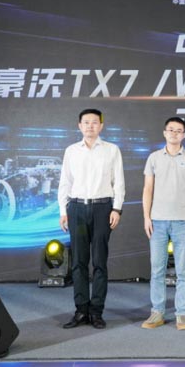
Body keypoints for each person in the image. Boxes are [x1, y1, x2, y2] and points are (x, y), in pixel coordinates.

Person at [58, 109, 125, 329]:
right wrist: (63, 211)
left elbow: (119, 183)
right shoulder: (71, 151)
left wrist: (117, 209)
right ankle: (81, 310)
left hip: (102, 209)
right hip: (77, 209)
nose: (90, 126)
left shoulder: (111, 150)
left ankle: (96, 311)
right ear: (79, 126)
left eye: (94, 122)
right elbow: (65, 183)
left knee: (99, 261)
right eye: (86, 122)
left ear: (101, 126)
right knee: (78, 262)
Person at [141, 117, 185, 331]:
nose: (174, 133)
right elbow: (148, 189)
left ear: (183, 134)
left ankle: (182, 314)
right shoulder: (154, 158)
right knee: (157, 270)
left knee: (183, 271)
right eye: (171, 130)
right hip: (157, 221)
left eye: (179, 130)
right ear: (164, 132)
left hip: (183, 221)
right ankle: (157, 312)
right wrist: (146, 217)